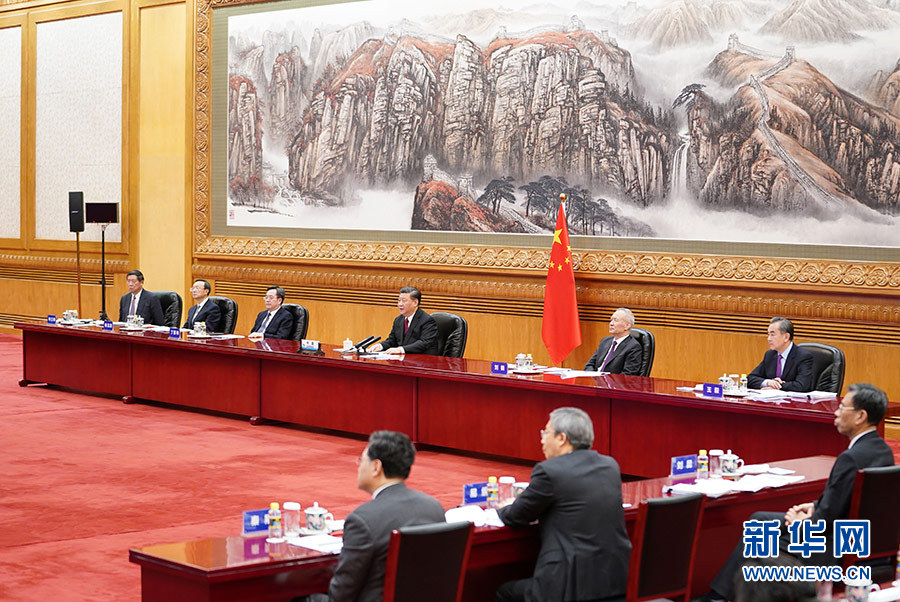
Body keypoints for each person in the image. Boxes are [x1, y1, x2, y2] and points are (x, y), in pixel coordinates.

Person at [701, 383, 895, 602]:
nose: (836, 413)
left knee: (759, 533)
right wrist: (814, 505)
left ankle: (722, 597)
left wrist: (797, 523)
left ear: (860, 416)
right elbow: (850, 499)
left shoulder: (850, 458)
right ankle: (720, 596)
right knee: (760, 519)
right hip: (860, 539)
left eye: (842, 408)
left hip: (834, 547)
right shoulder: (882, 451)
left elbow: (825, 521)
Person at [495, 407, 631, 602]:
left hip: (568, 585)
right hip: (613, 581)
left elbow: (516, 516)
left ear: (561, 438)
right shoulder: (610, 466)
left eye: (546, 433)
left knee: (504, 593)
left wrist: (504, 506)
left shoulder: (549, 471)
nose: (542, 440)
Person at [311, 430, 445, 602]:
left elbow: (340, 596)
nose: (359, 467)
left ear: (376, 467)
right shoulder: (433, 507)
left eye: (361, 461)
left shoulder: (362, 520)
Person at [746, 317, 814, 392]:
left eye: (772, 335)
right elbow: (750, 379)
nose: (769, 339)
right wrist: (768, 382)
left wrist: (777, 386)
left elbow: (802, 386)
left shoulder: (803, 356)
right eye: (768, 335)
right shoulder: (770, 355)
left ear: (786, 337)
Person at [369, 287, 438, 355]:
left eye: (404, 301)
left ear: (415, 302)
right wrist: (380, 346)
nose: (400, 304)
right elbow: (392, 341)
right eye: (399, 300)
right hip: (404, 359)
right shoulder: (398, 320)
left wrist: (401, 350)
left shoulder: (427, 320)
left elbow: (424, 343)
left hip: (422, 359)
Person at [584, 308, 642, 375]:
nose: (611, 323)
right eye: (611, 320)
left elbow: (628, 374)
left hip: (612, 381)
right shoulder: (605, 341)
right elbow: (589, 365)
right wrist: (592, 377)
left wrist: (603, 378)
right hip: (595, 379)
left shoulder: (633, 347)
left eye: (615, 320)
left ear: (627, 325)